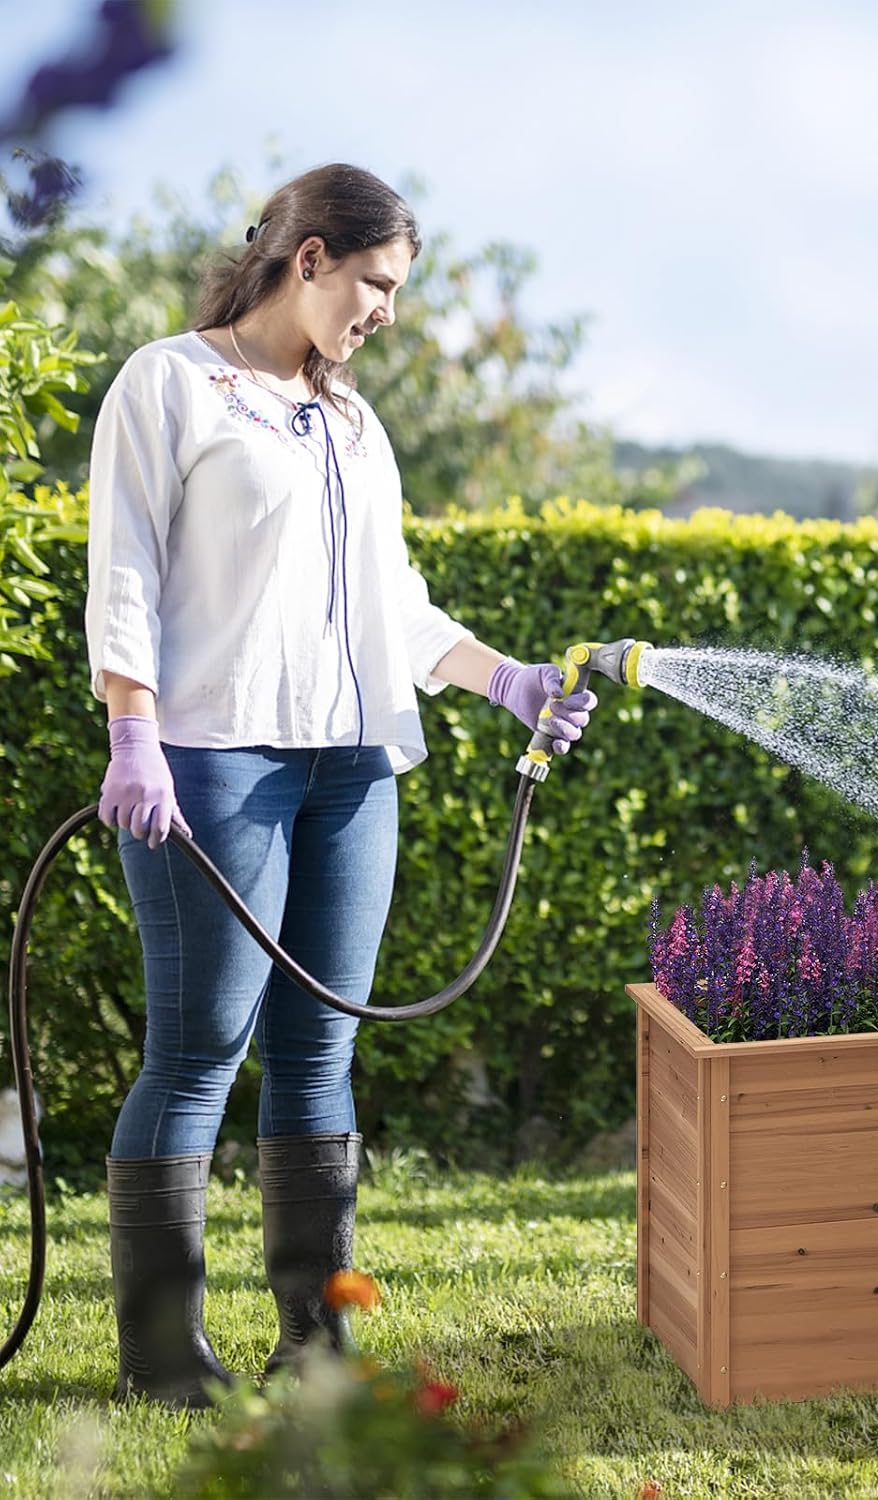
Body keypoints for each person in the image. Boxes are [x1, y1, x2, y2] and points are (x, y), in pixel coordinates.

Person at [83, 163, 595, 1407]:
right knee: (202, 1044)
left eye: (395, 292)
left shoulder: (353, 422)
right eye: (375, 283)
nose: (385, 312)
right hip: (213, 759)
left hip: (356, 762)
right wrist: (132, 729)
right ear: (307, 258)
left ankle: (317, 1337)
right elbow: (128, 569)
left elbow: (397, 603)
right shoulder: (171, 384)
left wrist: (502, 679)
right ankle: (161, 1350)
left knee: (322, 1053)